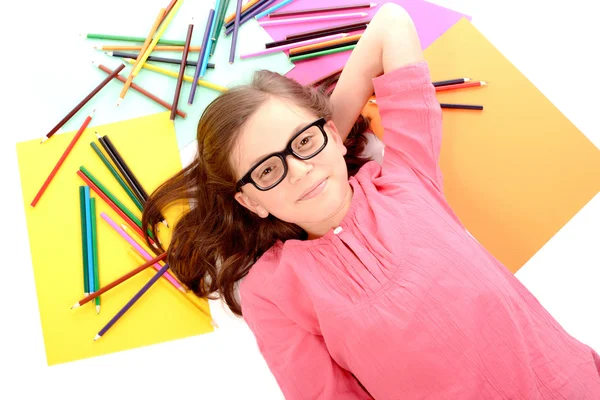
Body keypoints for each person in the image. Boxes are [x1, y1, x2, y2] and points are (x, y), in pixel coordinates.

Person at [143, 3, 600, 399]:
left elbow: (390, 23)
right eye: (267, 170)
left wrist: (321, 148)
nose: (297, 170)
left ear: (334, 134)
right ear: (252, 202)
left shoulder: (404, 174)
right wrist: (312, 149)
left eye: (303, 141)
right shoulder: (273, 291)